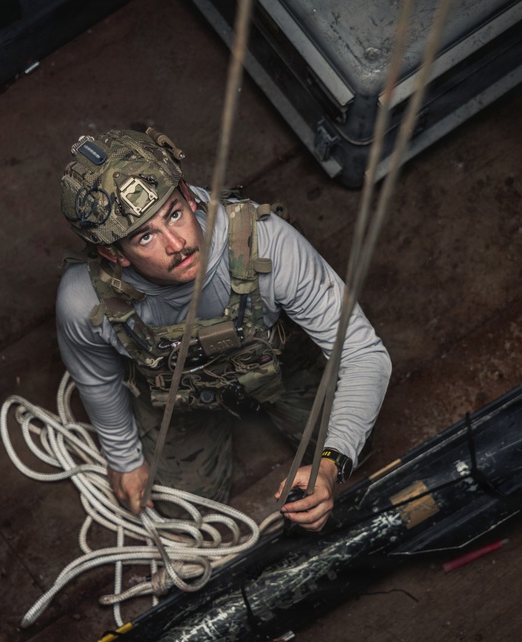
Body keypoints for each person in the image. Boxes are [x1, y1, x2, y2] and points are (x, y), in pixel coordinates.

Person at [55, 128, 390, 531]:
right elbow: (97, 380)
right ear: (113, 253)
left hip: (277, 366)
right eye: (146, 237)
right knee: (183, 513)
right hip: (177, 397)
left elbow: (361, 351)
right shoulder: (84, 300)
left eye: (173, 214)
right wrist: (124, 460)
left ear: (187, 194)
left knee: (355, 446)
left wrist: (331, 466)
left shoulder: (264, 243)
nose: (176, 244)